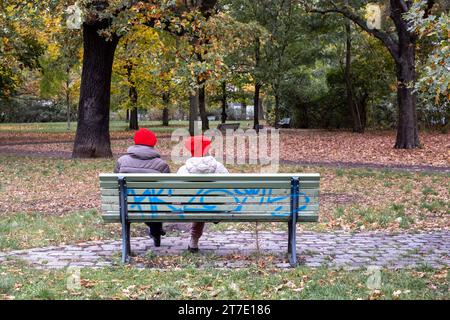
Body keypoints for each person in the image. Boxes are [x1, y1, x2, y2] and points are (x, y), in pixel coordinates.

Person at [114, 128, 170, 247]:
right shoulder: (161, 164)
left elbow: (116, 185)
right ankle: (156, 230)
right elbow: (167, 190)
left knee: (146, 202)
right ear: (153, 143)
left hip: (127, 206)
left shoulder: (122, 161)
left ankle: (127, 249)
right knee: (155, 202)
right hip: (154, 206)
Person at [177, 135, 229, 252]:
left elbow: (177, 191)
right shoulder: (218, 167)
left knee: (197, 205)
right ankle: (215, 213)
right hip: (215, 207)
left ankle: (193, 242)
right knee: (205, 203)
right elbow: (229, 186)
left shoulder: (183, 169)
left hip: (190, 207)